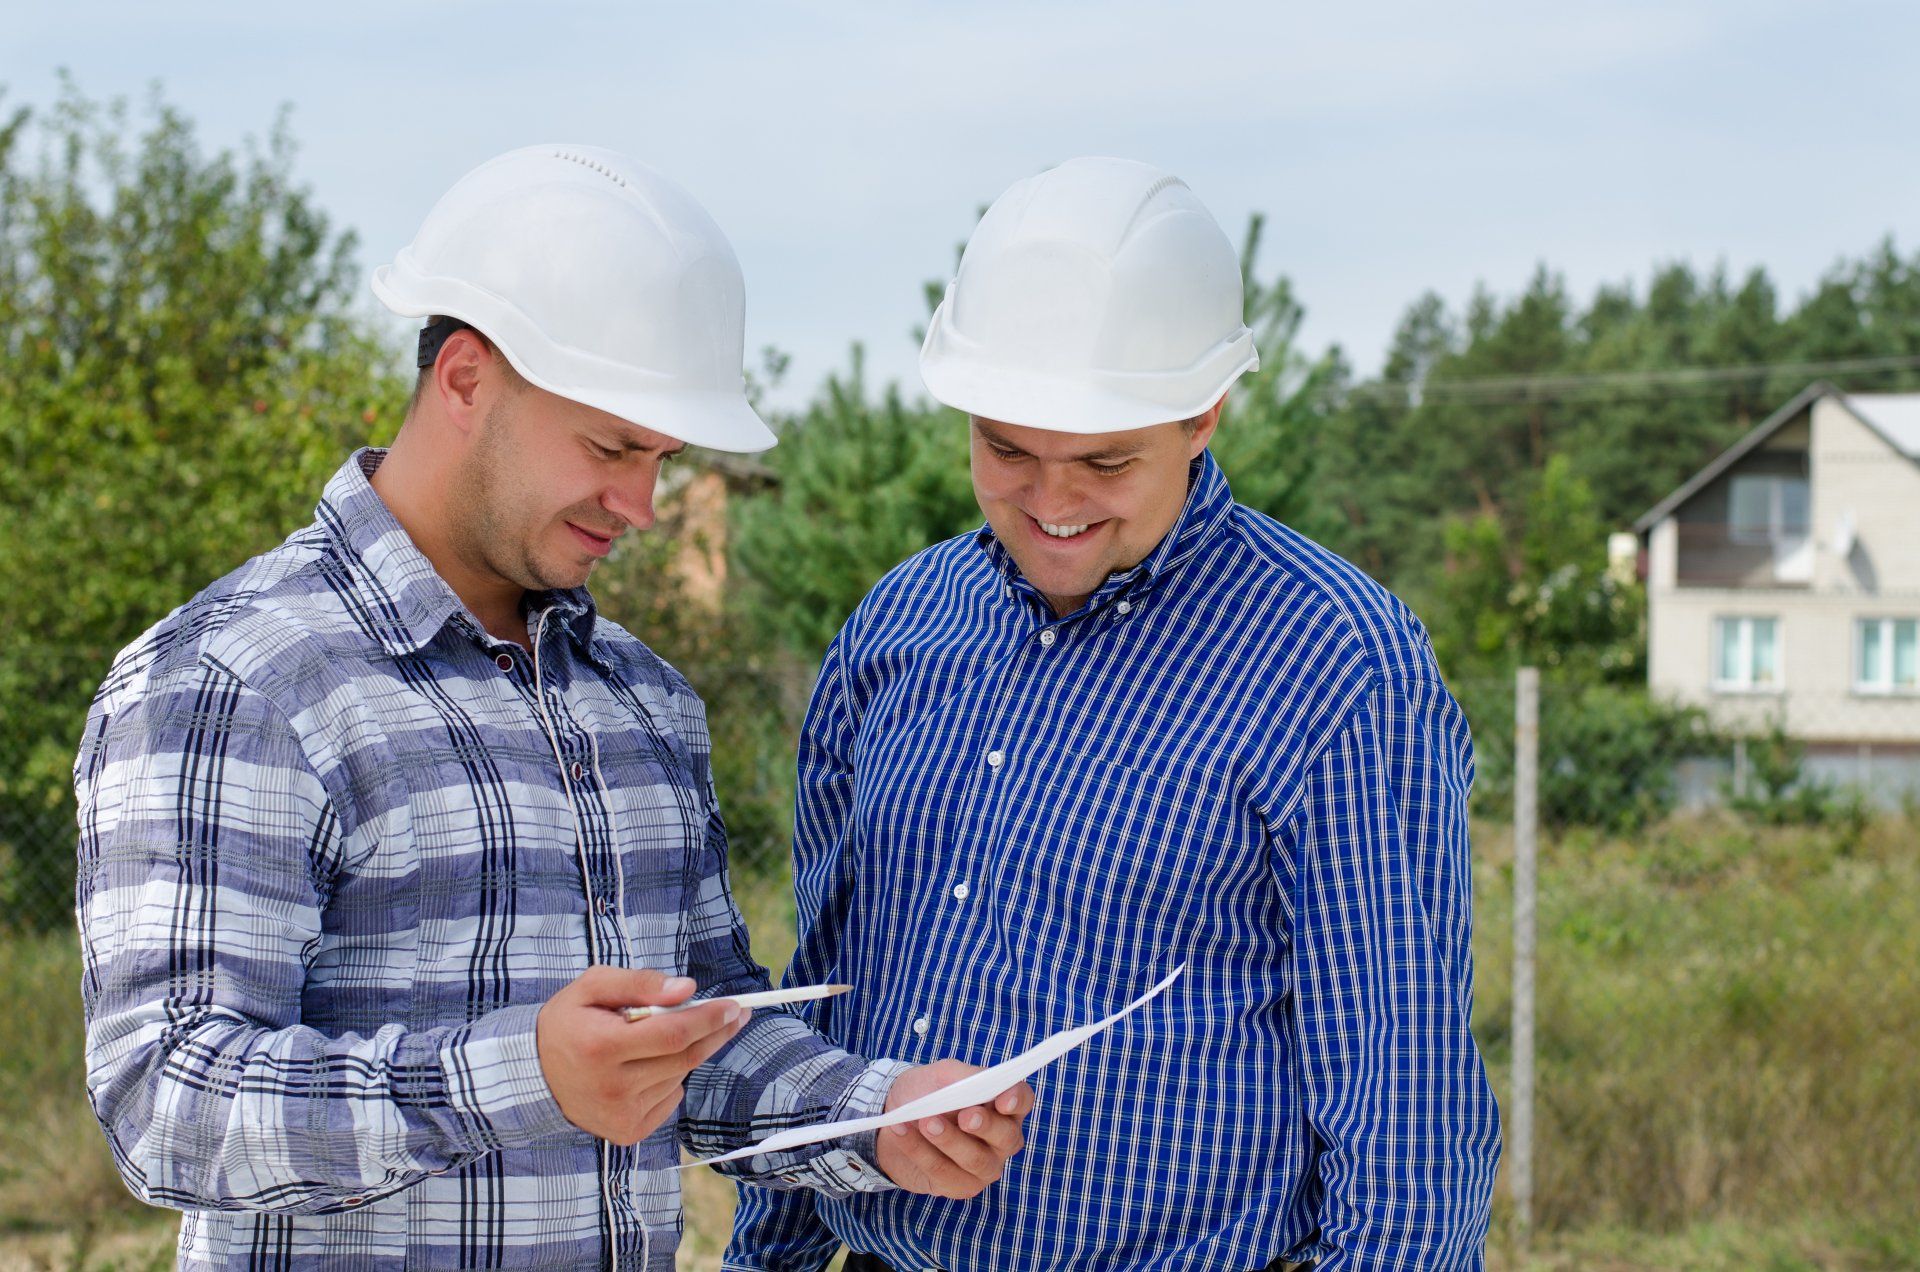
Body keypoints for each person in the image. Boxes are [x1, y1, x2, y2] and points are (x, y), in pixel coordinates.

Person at [75, 144, 1031, 1272]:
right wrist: (525, 1075)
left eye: (663, 454)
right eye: (610, 445)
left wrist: (881, 1115)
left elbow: (704, 1046)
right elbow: (165, 1104)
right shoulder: (240, 681)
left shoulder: (644, 702)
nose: (643, 503)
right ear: (468, 377)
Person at [727, 157, 1500, 1272]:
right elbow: (833, 1000)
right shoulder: (898, 626)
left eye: (1102, 461)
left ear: (1202, 414)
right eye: (1007, 452)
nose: (1051, 504)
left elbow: (1400, 1089)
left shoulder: (1334, 662)